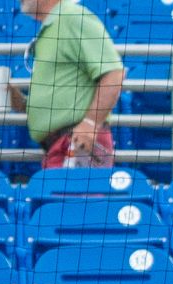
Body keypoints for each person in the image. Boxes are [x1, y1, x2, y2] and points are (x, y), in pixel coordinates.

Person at [8, 0, 124, 169]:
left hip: (77, 144)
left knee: (76, 195)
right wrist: (20, 102)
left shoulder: (73, 18)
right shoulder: (54, 25)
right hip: (62, 147)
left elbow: (114, 73)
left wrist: (90, 123)